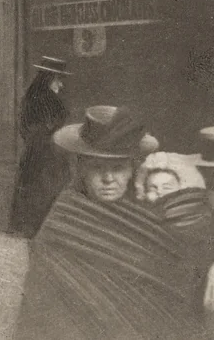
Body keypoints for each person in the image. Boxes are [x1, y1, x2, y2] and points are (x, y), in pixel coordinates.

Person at [14, 105, 214, 340]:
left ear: (132, 169)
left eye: (118, 168)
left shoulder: (150, 209)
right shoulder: (65, 218)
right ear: (81, 169)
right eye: (97, 168)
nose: (108, 179)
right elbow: (44, 310)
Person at [8, 56, 71, 238]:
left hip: (32, 160)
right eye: (58, 80)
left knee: (29, 206)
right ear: (49, 78)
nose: (61, 85)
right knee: (45, 202)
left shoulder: (29, 98)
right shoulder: (50, 102)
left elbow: (25, 130)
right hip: (48, 161)